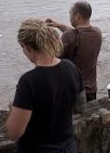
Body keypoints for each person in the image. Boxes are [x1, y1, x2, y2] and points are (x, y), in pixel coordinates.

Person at [7, 19, 83, 153]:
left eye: (23, 48)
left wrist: (12, 111)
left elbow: (14, 133)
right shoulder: (71, 67)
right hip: (67, 147)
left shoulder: (28, 82)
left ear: (28, 48)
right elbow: (81, 107)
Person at [46, 1, 102, 102]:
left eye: (70, 14)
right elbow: (78, 33)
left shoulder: (69, 36)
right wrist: (59, 25)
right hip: (91, 90)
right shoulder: (97, 33)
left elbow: (52, 58)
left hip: (73, 91)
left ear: (77, 16)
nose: (69, 17)